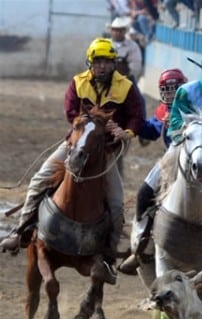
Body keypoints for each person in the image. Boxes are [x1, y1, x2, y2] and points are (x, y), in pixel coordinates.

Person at [0, 38, 145, 284]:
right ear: (91, 63)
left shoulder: (126, 87)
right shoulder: (78, 83)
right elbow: (70, 112)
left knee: (117, 203)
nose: (102, 67)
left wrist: (126, 132)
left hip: (106, 153)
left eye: (106, 62)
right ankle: (22, 231)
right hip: (74, 145)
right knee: (37, 181)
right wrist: (93, 122)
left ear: (113, 64)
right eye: (98, 62)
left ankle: (109, 256)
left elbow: (137, 116)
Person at [119, 49, 202, 274]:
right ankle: (142, 244)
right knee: (145, 192)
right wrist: (190, 136)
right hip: (181, 148)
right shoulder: (186, 92)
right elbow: (173, 125)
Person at [138, 68, 188, 149]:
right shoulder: (164, 110)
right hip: (171, 153)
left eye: (175, 90)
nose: (171, 95)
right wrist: (135, 123)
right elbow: (152, 129)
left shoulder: (192, 107)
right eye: (167, 91)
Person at [109, 16, 143, 82]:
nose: (117, 32)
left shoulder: (132, 46)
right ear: (111, 31)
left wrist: (127, 79)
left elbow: (135, 66)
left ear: (124, 31)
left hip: (126, 79)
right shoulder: (105, 44)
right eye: (115, 30)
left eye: (120, 30)